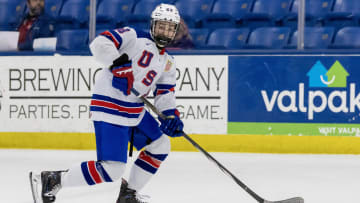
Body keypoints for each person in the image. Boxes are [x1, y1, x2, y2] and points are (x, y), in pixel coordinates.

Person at [29, 3, 184, 203]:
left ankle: (128, 195)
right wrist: (118, 64)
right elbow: (100, 43)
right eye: (161, 25)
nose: (165, 31)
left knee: (161, 145)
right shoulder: (133, 36)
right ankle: (54, 179)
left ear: (175, 31)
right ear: (153, 25)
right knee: (112, 170)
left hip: (134, 111)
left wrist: (171, 116)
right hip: (110, 106)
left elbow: (165, 94)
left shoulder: (168, 62)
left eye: (170, 28)